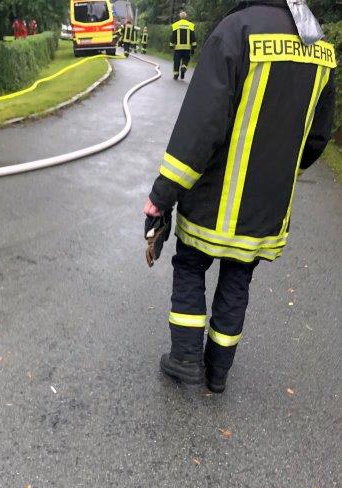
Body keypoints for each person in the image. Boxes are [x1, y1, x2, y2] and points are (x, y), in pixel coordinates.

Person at [144, 0, 336, 393]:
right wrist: (281, 174)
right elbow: (317, 137)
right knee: (238, 277)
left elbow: (200, 127)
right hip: (265, 208)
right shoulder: (319, 47)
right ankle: (218, 372)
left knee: (190, 265)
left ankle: (185, 359)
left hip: (213, 200)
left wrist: (162, 194)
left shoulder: (236, 31)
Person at [170, 11, 196, 80]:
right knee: (186, 60)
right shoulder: (190, 25)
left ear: (180, 17)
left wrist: (171, 45)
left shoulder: (176, 25)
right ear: (186, 17)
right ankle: (183, 67)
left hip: (178, 48)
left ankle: (176, 75)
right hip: (187, 48)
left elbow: (173, 36)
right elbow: (193, 37)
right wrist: (193, 47)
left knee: (176, 61)